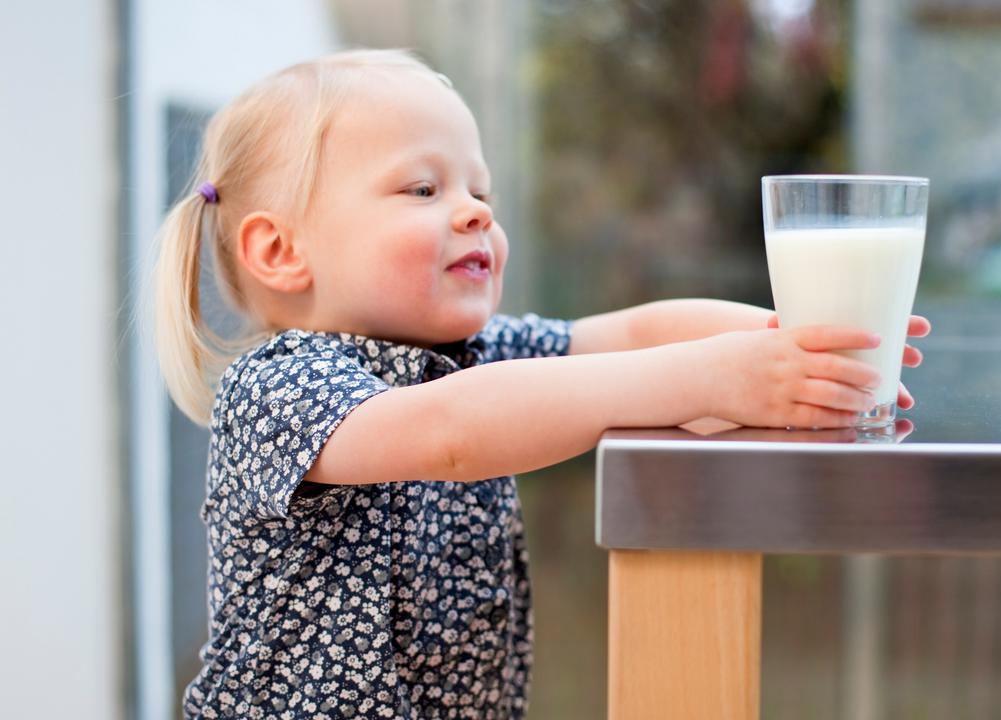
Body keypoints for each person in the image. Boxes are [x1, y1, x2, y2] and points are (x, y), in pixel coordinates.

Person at [152, 48, 929, 719]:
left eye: (479, 194)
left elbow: (627, 334)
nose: (473, 216)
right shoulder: (277, 387)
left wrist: (801, 344)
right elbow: (450, 434)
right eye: (424, 191)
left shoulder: (472, 352)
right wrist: (708, 379)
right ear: (281, 251)